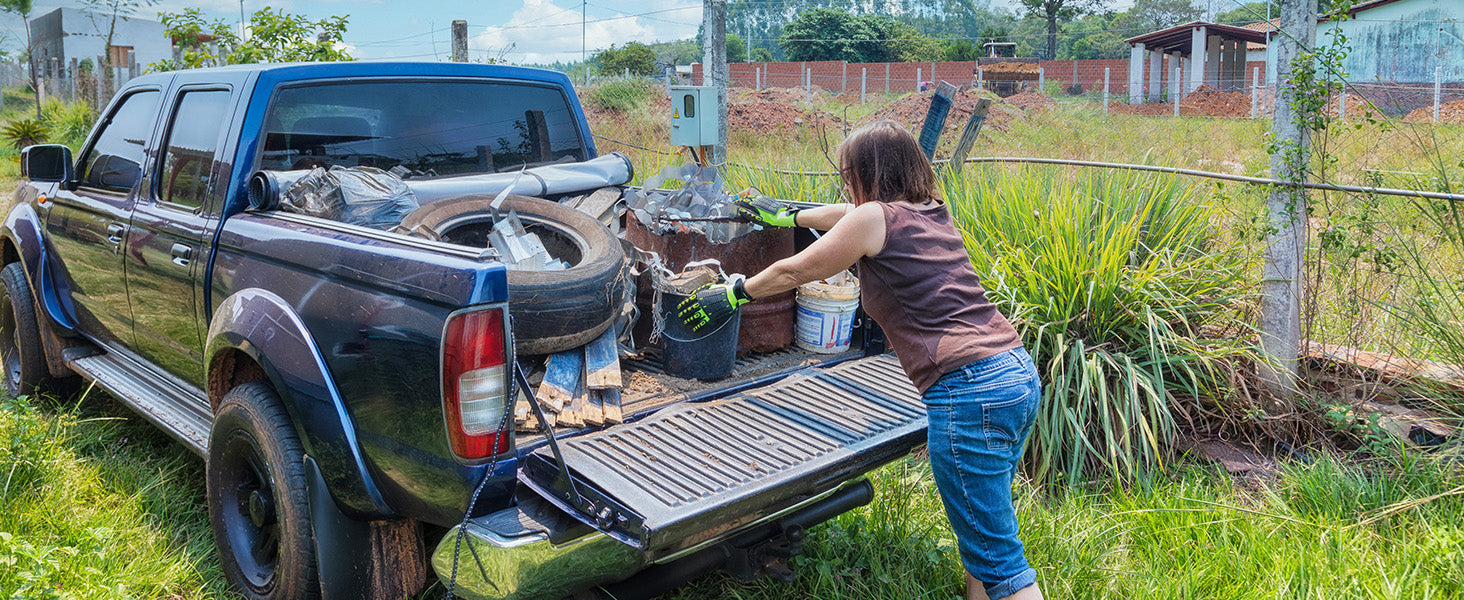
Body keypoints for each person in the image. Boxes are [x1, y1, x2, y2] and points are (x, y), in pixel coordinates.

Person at [677, 120, 1045, 600]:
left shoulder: (874, 219)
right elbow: (846, 214)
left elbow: (796, 268)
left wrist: (735, 292)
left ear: (870, 172)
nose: (844, 181)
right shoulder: (931, 209)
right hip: (1012, 372)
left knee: (1000, 561)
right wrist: (789, 217)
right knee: (982, 532)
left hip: (968, 390)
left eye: (848, 171)